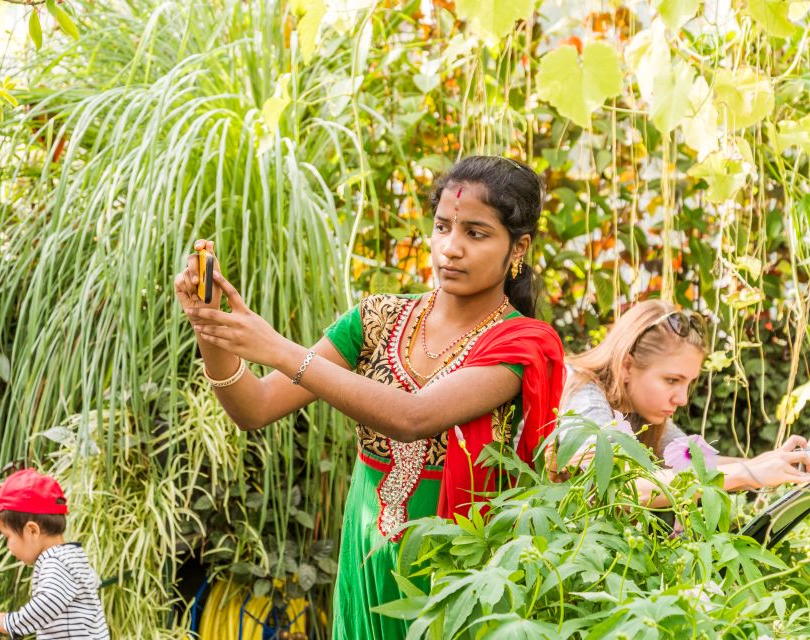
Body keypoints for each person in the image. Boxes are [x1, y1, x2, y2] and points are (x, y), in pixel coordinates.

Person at [175, 156, 565, 639]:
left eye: (476, 234)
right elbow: (255, 408)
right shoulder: (377, 320)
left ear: (518, 247)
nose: (451, 248)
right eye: (442, 227)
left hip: (457, 568)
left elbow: (413, 417)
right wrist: (211, 329)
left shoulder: (521, 343)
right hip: (366, 548)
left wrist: (277, 349)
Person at [560, 299, 810, 506]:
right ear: (627, 366)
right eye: (671, 380)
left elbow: (697, 463)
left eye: (688, 383)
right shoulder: (583, 393)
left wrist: (776, 464)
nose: (682, 399)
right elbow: (618, 486)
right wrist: (748, 473)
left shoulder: (639, 409)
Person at [0, 468, 109, 639]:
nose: (7, 545)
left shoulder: (54, 562)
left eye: (7, 536)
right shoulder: (74, 555)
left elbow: (48, 603)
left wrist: (9, 622)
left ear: (32, 531)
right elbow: (93, 582)